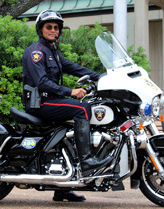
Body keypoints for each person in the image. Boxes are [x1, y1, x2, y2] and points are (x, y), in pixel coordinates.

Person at [22, 10, 112, 202]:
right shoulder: (36, 52)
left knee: (73, 128)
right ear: (40, 29)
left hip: (52, 101)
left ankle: (63, 188)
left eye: (56, 27)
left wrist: (105, 77)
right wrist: (70, 92)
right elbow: (42, 82)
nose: (53, 30)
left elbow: (74, 67)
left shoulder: (52, 51)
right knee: (82, 108)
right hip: (40, 103)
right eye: (49, 27)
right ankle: (87, 162)